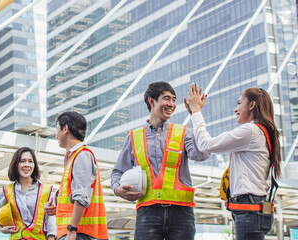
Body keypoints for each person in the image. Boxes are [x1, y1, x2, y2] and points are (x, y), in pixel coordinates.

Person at [111, 81, 210, 240]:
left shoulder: (184, 132)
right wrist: (117, 189)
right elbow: (118, 171)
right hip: (148, 212)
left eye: (174, 100)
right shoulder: (134, 137)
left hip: (181, 213)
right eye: (167, 99)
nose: (171, 104)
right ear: (152, 101)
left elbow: (202, 155)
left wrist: (195, 114)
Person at [185, 84, 281, 240]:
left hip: (248, 210)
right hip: (254, 208)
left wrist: (196, 113)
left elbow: (205, 145)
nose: (235, 109)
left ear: (251, 105)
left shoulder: (250, 131)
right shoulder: (263, 132)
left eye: (238, 103)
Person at [45, 111, 108, 240]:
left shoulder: (82, 155)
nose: (56, 135)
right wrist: (56, 205)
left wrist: (72, 229)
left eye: (57, 129)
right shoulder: (74, 157)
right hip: (75, 232)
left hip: (79, 233)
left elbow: (81, 196)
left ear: (65, 129)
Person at [0, 147, 56, 240]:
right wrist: (1, 228)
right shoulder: (6, 190)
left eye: (30, 161)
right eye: (22, 161)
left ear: (34, 165)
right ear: (16, 164)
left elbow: (51, 223)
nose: (27, 165)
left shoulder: (47, 190)